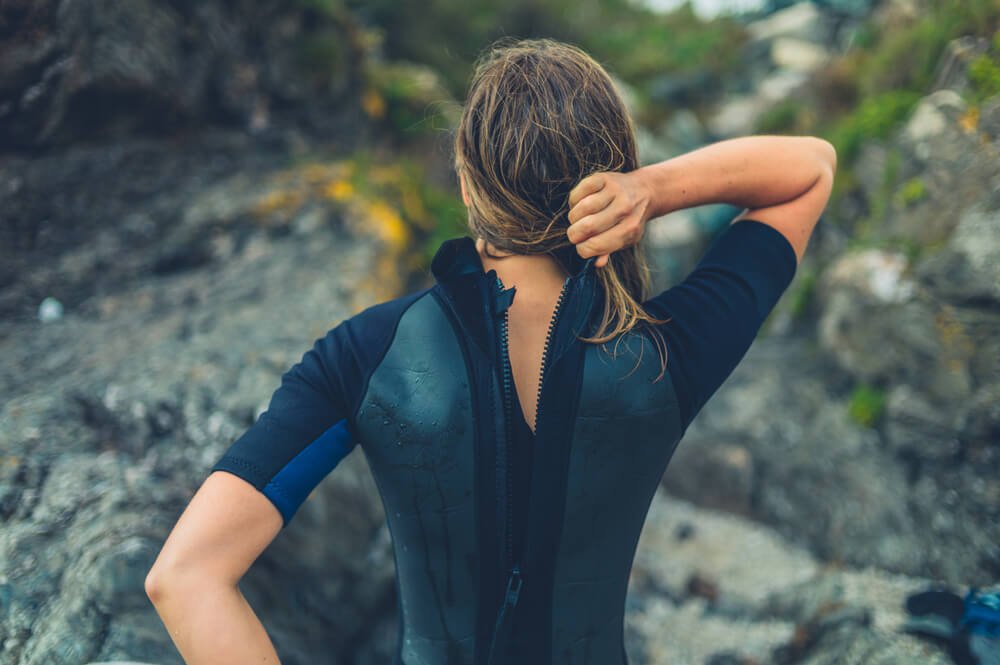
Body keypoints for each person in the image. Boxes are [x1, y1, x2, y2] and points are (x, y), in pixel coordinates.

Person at [144, 37, 836, 665]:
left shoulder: (366, 353)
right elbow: (810, 166)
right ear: (610, 180)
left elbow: (184, 576)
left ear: (470, 184)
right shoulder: (669, 352)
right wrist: (651, 191)